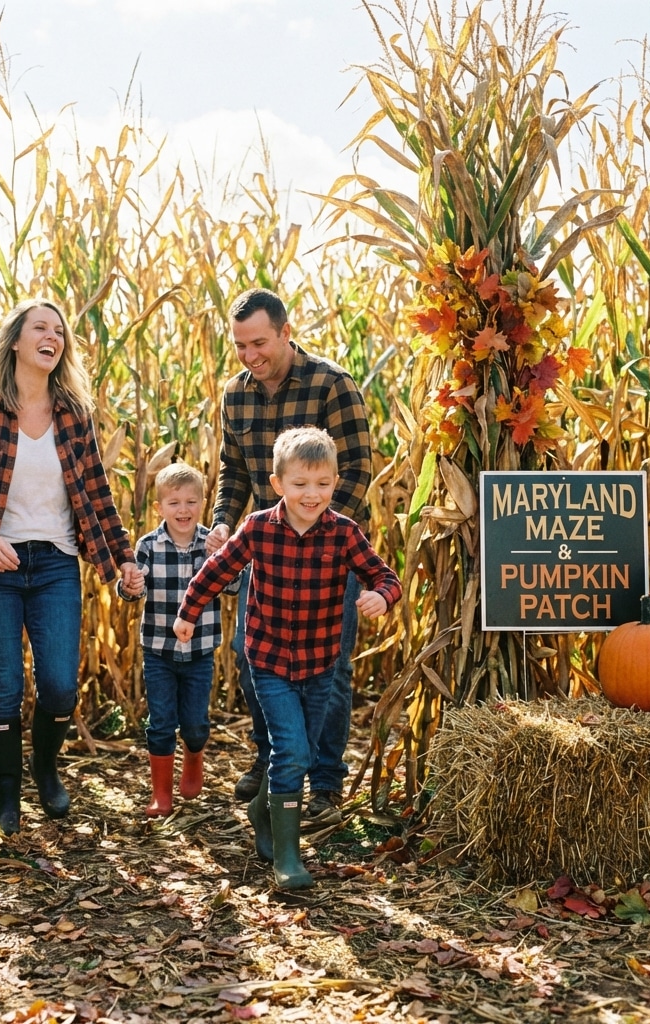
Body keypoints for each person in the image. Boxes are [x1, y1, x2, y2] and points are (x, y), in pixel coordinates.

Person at [0, 299, 143, 837]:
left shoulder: (73, 413)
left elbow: (98, 493)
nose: (52, 336)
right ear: (15, 342)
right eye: (40, 328)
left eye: (59, 331)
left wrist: (123, 558)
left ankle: (46, 768)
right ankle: (6, 796)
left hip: (55, 564)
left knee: (58, 687)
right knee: (3, 687)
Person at [175, 427, 401, 889]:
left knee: (305, 751)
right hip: (270, 660)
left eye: (322, 484)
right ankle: (288, 858)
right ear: (278, 484)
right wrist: (189, 612)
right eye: (300, 484)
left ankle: (263, 809)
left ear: (335, 482)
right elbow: (217, 570)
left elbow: (384, 575)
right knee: (292, 752)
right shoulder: (258, 526)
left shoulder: (344, 533)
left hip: (320, 662)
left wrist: (382, 596)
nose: (311, 494)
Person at [206, 287, 372, 824]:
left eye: (259, 343)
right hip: (266, 549)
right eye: (240, 346)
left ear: (284, 331)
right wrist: (223, 523)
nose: (250, 356)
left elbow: (355, 472)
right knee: (252, 655)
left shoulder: (332, 384)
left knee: (331, 666)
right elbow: (233, 470)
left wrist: (317, 532)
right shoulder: (236, 394)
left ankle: (324, 783)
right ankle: (273, 756)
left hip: (329, 555)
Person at [117, 462, 239, 817]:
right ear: (159, 508)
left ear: (202, 503)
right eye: (174, 503)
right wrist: (129, 586)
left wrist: (224, 555)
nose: (182, 510)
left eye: (190, 502)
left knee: (196, 723)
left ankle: (194, 761)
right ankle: (161, 795)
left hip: (200, 650)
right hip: (158, 651)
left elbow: (232, 587)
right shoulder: (148, 546)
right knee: (160, 722)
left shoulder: (211, 544)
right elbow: (130, 591)